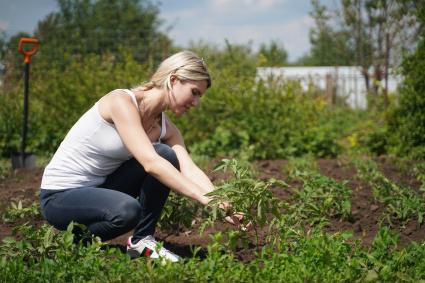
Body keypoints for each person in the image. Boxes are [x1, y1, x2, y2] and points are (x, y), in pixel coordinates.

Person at [39, 51, 243, 263]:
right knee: (127, 210)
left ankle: (142, 241)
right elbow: (151, 164)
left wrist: (222, 203)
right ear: (173, 80)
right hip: (60, 196)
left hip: (99, 190)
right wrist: (203, 198)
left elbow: (189, 169)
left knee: (166, 153)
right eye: (194, 92)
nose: (196, 102)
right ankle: (73, 245)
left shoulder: (165, 128)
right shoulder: (120, 102)